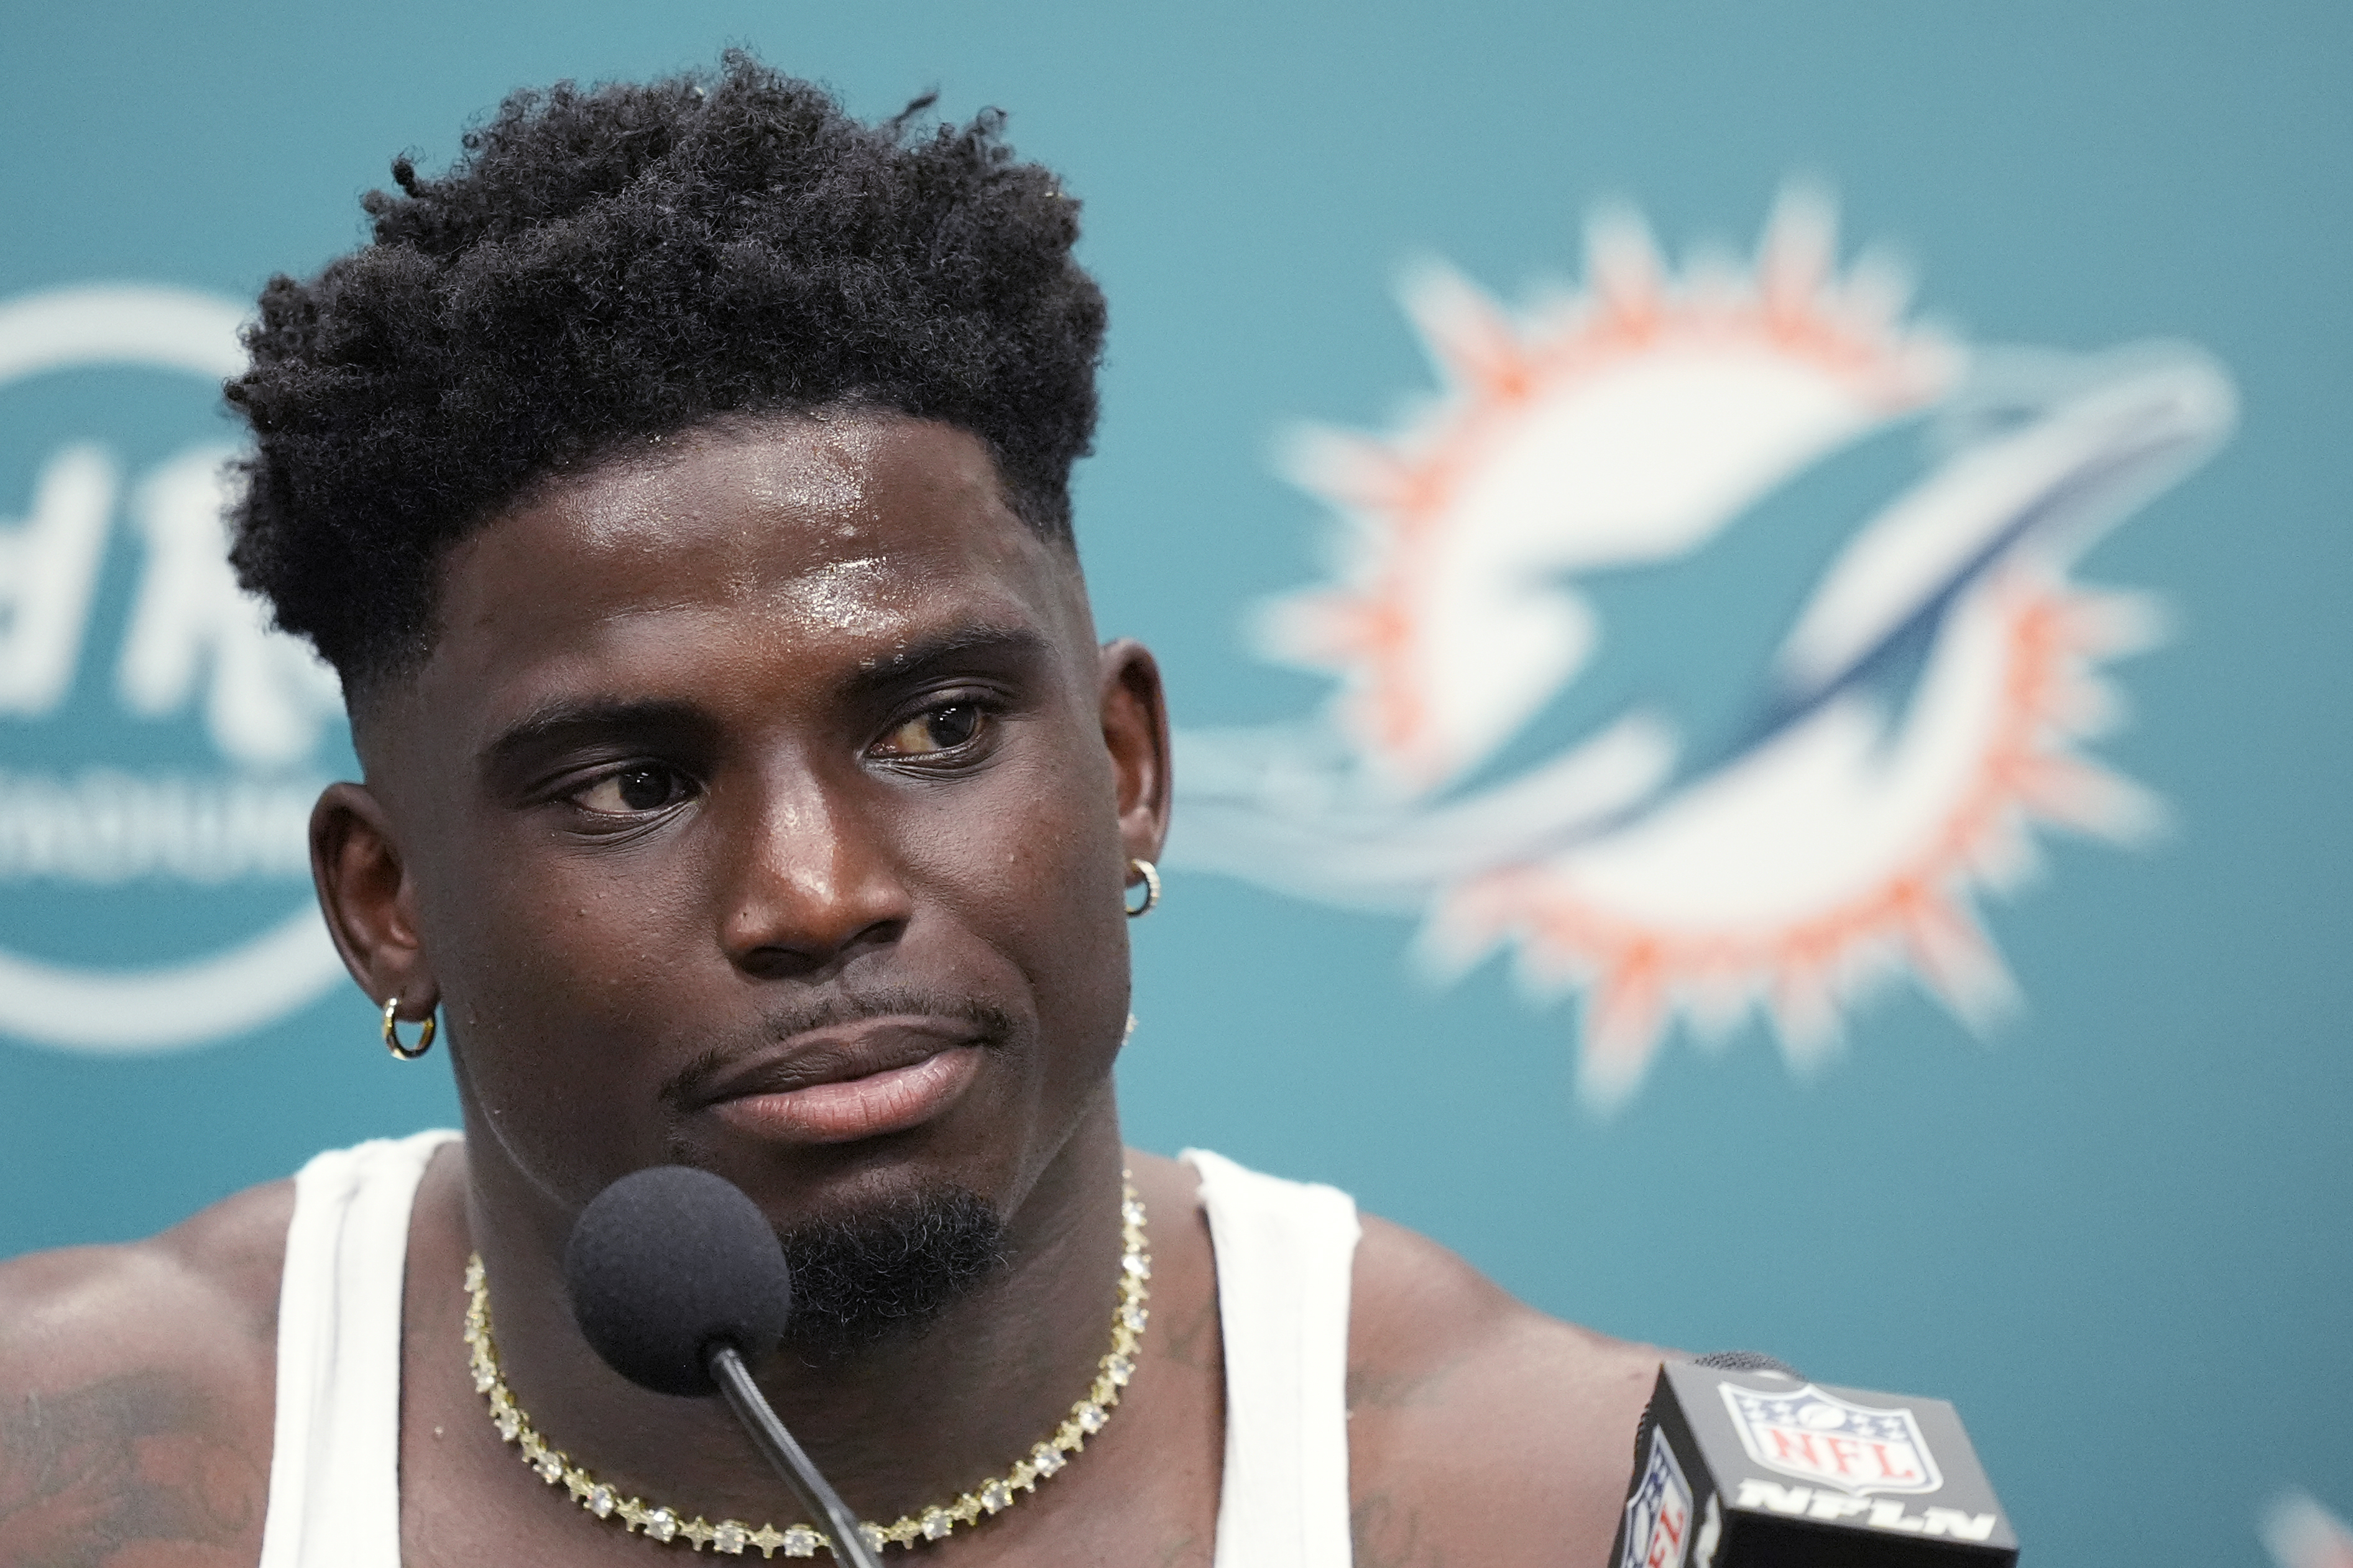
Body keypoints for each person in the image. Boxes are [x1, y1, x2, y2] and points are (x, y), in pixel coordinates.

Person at [0, 55, 1661, 1567]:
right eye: (634, 784)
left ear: (1127, 762)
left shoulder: (1568, 1502)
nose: (814, 891)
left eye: (939, 726)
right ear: (387, 904)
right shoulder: (64, 1473)